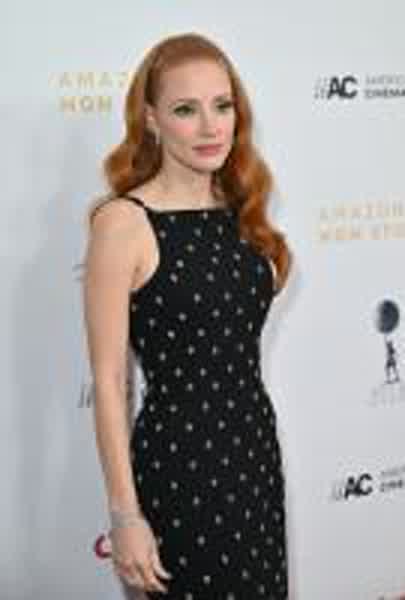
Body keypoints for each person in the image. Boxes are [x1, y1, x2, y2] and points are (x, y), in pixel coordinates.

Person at [82, 31, 292, 599]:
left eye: (222, 106)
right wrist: (125, 515)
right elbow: (109, 381)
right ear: (151, 119)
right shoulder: (124, 223)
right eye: (185, 110)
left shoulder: (244, 213)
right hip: (181, 467)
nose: (209, 127)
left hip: (253, 454)